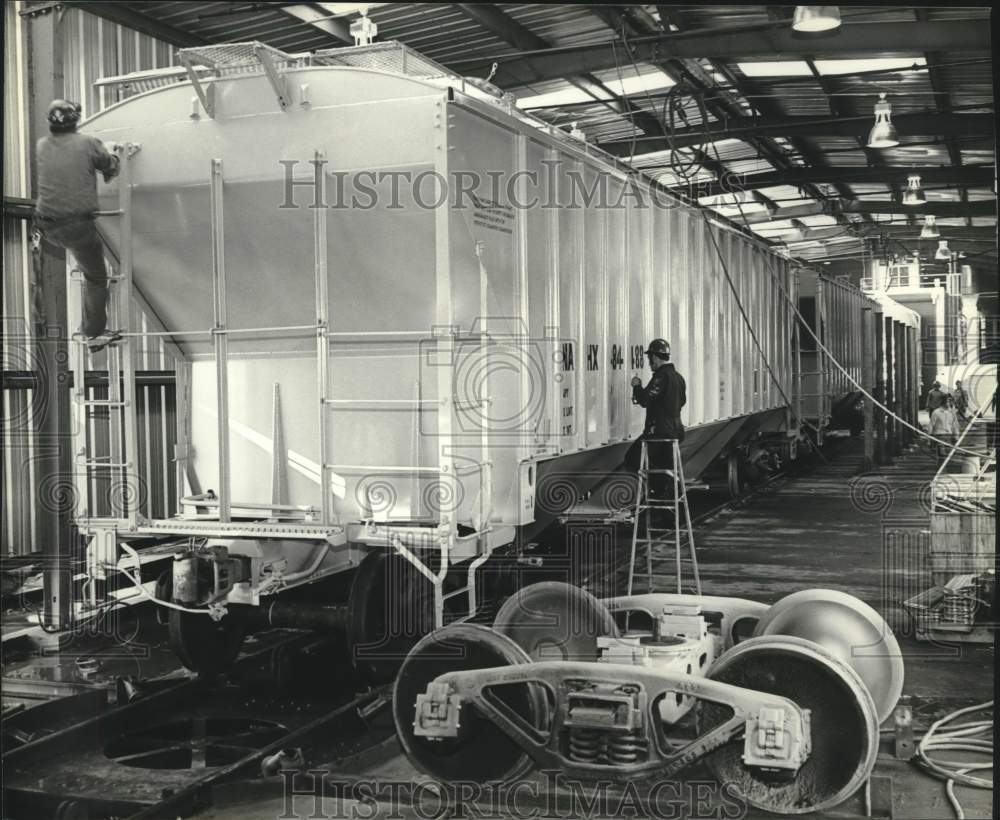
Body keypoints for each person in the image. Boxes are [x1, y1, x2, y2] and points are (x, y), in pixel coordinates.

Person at [33, 99, 121, 352]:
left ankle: (90, 329)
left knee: (85, 267)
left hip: (47, 225)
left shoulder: (41, 146)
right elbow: (109, 165)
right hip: (76, 226)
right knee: (95, 276)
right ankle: (93, 334)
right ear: (76, 120)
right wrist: (113, 154)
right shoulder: (88, 143)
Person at [624, 338, 686, 496]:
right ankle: (668, 495)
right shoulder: (678, 377)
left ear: (656, 357)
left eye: (650, 358)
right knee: (662, 464)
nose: (649, 362)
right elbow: (682, 401)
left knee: (632, 458)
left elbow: (645, 399)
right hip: (676, 431)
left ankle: (662, 485)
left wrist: (637, 386)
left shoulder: (661, 376)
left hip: (659, 432)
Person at [929, 395, 961, 466]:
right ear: (942, 402)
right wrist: (930, 439)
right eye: (948, 401)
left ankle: (945, 470)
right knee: (942, 455)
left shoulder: (952, 413)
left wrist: (956, 437)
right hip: (939, 436)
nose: (950, 403)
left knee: (948, 456)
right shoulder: (936, 412)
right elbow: (931, 425)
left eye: (950, 401)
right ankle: (940, 471)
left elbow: (955, 426)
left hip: (949, 436)